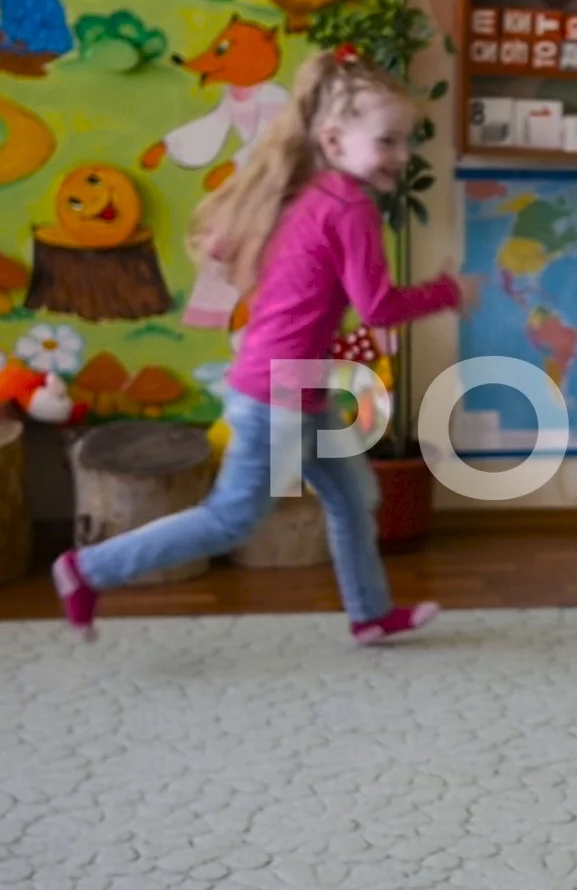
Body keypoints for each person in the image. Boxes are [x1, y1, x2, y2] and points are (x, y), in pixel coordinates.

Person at [52, 45, 479, 644]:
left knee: (354, 496)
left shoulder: (312, 194)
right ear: (332, 141)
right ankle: (84, 570)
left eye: (407, 141)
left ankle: (370, 615)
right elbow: (379, 306)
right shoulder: (348, 207)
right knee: (233, 518)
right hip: (278, 390)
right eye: (388, 141)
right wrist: (448, 291)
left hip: (295, 381)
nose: (402, 156)